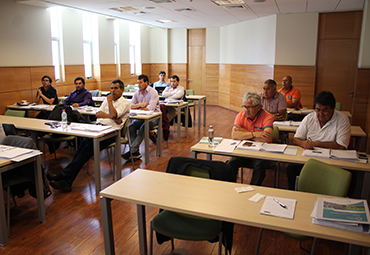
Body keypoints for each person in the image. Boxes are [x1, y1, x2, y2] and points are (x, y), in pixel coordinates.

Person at [46, 79, 130, 192]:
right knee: (81, 146)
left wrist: (110, 105)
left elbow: (114, 113)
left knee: (87, 150)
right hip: (98, 128)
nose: (112, 91)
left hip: (111, 133)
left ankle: (65, 177)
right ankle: (66, 178)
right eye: (111, 88)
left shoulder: (125, 103)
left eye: (115, 88)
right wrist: (112, 117)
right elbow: (98, 114)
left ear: (122, 90)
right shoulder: (106, 100)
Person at [286, 91, 351, 190]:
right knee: (291, 169)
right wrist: (303, 143)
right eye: (317, 110)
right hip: (309, 159)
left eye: (325, 110)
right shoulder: (309, 118)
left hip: (331, 162)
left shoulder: (342, 120)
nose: (320, 114)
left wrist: (316, 144)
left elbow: (341, 146)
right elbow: (296, 139)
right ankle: (296, 196)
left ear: (333, 109)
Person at [226, 92, 273, 186]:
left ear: (258, 107)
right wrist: (256, 134)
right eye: (244, 106)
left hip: (261, 153)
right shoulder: (240, 115)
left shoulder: (267, 116)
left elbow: (267, 138)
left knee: (259, 167)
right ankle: (230, 187)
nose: (246, 110)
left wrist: (243, 132)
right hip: (244, 151)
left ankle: (252, 190)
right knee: (231, 162)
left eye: (249, 107)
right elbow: (234, 135)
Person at [122, 74, 160, 161]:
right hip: (141, 117)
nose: (138, 85)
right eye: (137, 83)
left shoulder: (153, 92)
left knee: (144, 127)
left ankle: (132, 150)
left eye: (140, 83)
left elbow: (151, 109)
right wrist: (142, 105)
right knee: (131, 127)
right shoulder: (137, 93)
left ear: (146, 83)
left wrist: (138, 106)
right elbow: (130, 105)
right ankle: (135, 152)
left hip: (154, 117)